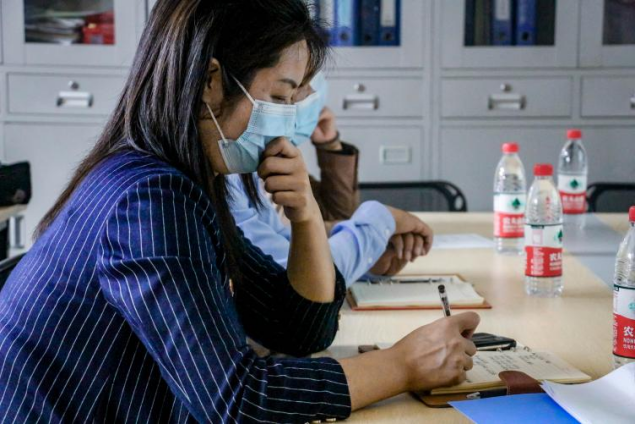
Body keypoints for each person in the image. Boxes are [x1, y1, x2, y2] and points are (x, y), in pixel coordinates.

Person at [0, 1, 479, 422]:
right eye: (278, 97)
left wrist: (307, 217)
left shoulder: (188, 183)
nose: (286, 120)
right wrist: (402, 365)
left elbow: (300, 330)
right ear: (211, 82)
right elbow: (236, 401)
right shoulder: (149, 199)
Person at [229, 73, 434, 285]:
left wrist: (369, 259)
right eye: (287, 94)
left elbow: (292, 245)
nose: (296, 103)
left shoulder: (251, 169)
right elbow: (298, 278)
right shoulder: (237, 173)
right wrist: (382, 220)